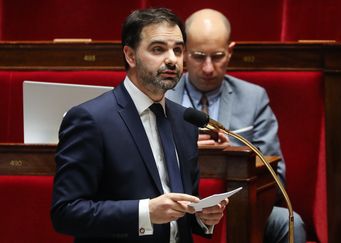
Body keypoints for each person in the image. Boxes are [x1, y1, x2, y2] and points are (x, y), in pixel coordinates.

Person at [51, 8, 227, 243]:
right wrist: (145, 213)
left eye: (177, 50)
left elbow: (184, 204)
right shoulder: (90, 119)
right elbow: (66, 213)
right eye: (158, 49)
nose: (172, 59)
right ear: (130, 56)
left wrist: (202, 216)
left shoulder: (185, 120)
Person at [166, 9, 307, 243]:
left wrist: (232, 152)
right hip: (177, 206)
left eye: (218, 56)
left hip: (239, 206)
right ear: (184, 53)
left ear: (230, 52)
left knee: (290, 222)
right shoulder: (162, 97)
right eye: (199, 56)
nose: (208, 68)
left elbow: (277, 177)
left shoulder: (254, 98)